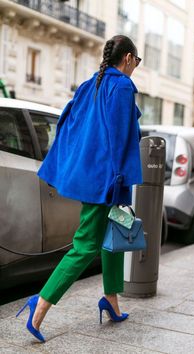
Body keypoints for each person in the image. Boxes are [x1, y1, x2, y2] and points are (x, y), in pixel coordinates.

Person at [16, 35, 143, 342]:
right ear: (127, 58)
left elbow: (67, 123)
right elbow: (118, 137)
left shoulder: (91, 84)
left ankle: (111, 300)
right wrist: (117, 180)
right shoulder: (122, 86)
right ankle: (41, 303)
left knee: (111, 236)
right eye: (136, 62)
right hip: (107, 180)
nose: (135, 68)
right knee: (86, 245)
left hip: (92, 177)